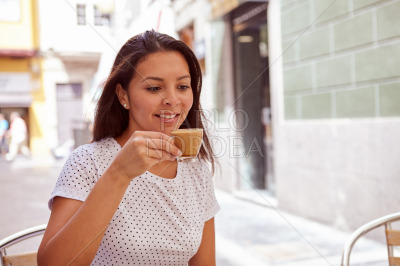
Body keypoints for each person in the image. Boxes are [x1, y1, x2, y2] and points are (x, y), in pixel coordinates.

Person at [37, 30, 220, 266]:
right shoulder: (87, 162)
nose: (173, 100)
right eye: (154, 88)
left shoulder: (196, 172)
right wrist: (119, 174)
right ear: (124, 95)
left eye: (183, 86)